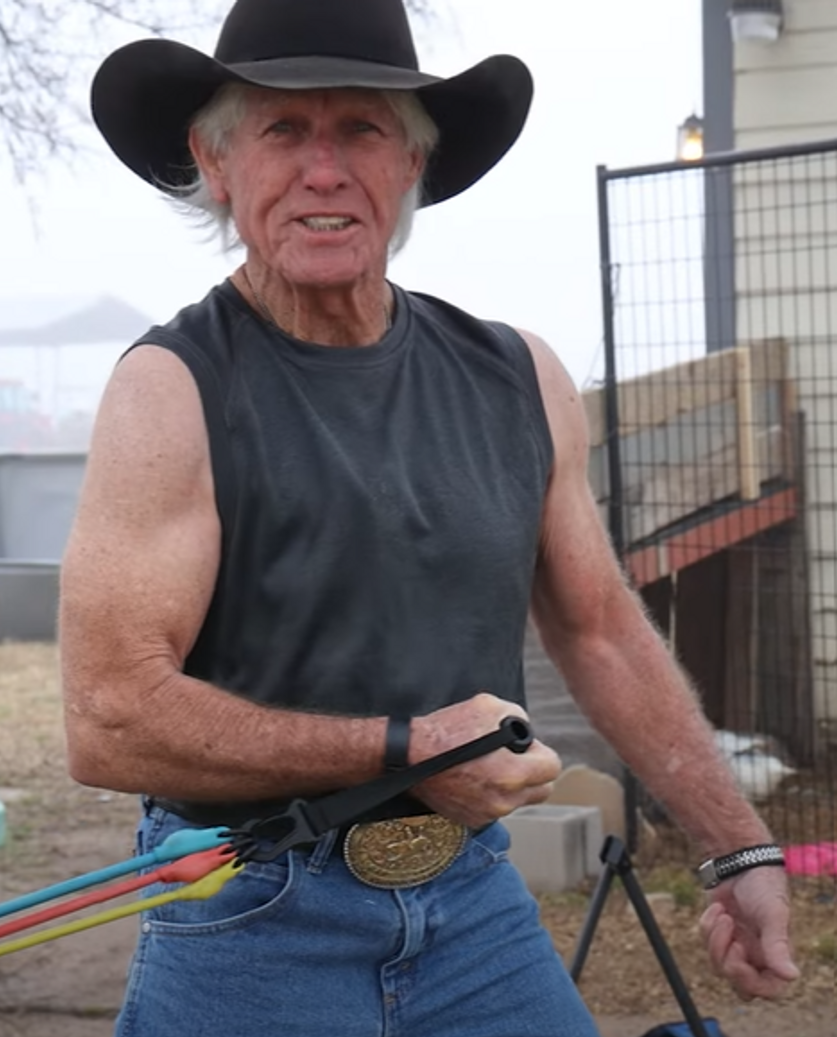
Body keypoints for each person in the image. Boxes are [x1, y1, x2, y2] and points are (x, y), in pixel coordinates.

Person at [59, 1, 799, 1034]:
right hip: (253, 914)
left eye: (360, 128)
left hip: (474, 912)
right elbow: (107, 717)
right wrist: (405, 747)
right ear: (214, 161)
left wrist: (738, 844)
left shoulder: (516, 377)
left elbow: (597, 627)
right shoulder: (171, 390)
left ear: (411, 163)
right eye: (282, 129)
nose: (324, 169)